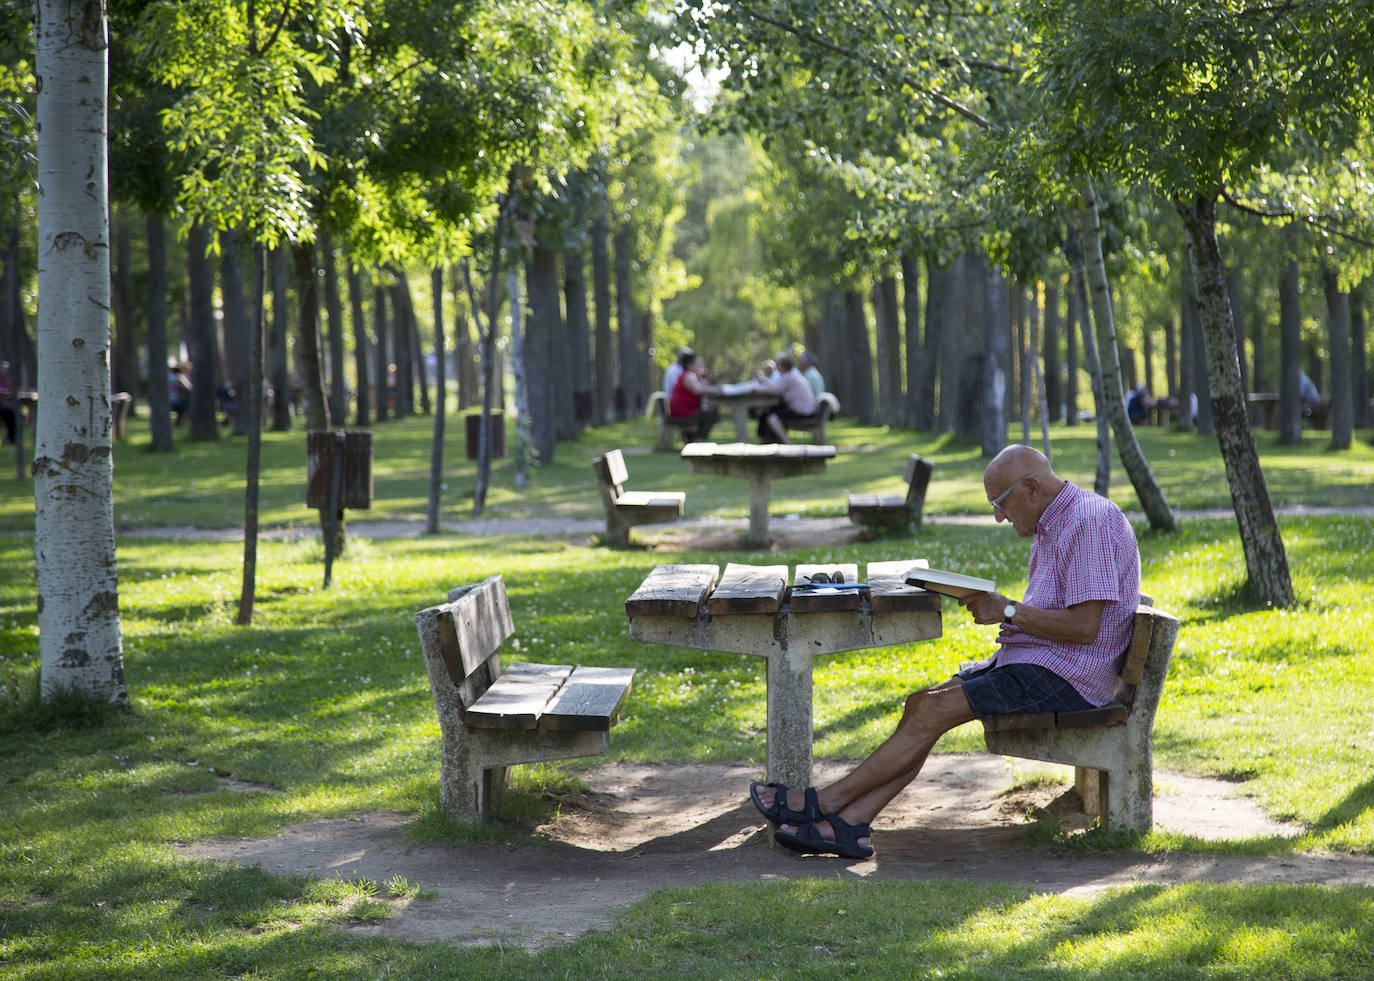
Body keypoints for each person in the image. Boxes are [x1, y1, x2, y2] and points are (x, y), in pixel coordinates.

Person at [750, 444, 1140, 858]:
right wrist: (1004, 609)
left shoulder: (1088, 523)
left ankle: (822, 804)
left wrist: (1006, 609)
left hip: (1069, 678)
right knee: (922, 706)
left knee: (931, 711)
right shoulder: (1059, 520)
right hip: (1042, 663)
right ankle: (850, 824)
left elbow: (1085, 627)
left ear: (1030, 489)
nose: (998, 516)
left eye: (1000, 503)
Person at [754, 352, 817, 443]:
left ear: (782, 365)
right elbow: (775, 387)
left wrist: (757, 389)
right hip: (803, 409)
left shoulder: (788, 376)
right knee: (768, 411)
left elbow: (775, 390)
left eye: (778, 364)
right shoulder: (792, 374)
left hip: (802, 411)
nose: (776, 367)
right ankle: (767, 440)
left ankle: (786, 442)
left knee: (771, 415)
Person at [667, 352, 721, 442]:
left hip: (683, 411)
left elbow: (701, 387)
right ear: (690, 365)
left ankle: (693, 439)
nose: (701, 367)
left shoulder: (688, 375)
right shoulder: (689, 375)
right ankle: (698, 440)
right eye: (698, 364)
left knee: (707, 413)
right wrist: (717, 389)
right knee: (712, 414)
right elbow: (698, 390)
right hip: (683, 412)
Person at [0, 362, 15, 444]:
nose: (7, 372)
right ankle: (10, 438)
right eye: (5, 371)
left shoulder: (8, 381)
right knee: (9, 414)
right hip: (1, 406)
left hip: (6, 406)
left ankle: (10, 438)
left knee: (15, 415)